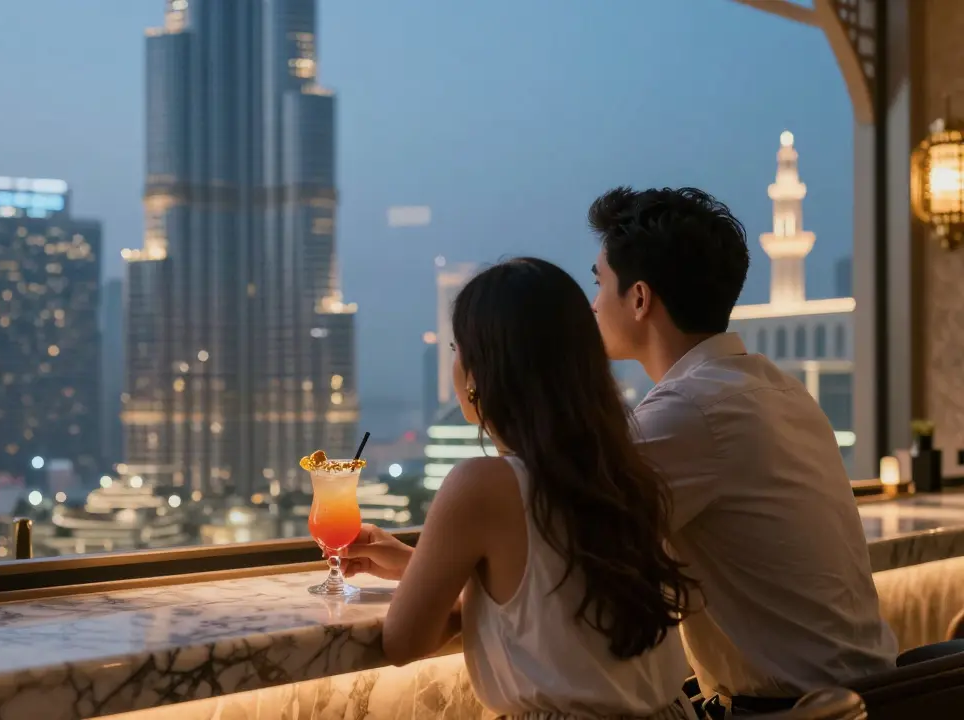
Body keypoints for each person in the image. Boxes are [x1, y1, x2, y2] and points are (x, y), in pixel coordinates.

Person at [587, 186, 897, 717]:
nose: (593, 305)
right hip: (868, 698)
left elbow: (566, 541)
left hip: (783, 710)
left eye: (600, 284)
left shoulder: (690, 410)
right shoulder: (776, 389)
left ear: (639, 299)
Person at [345, 258, 699, 720]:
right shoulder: (627, 471)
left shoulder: (482, 484)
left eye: (458, 349)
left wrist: (429, 585)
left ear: (478, 374)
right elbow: (551, 600)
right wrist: (422, 567)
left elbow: (404, 641)